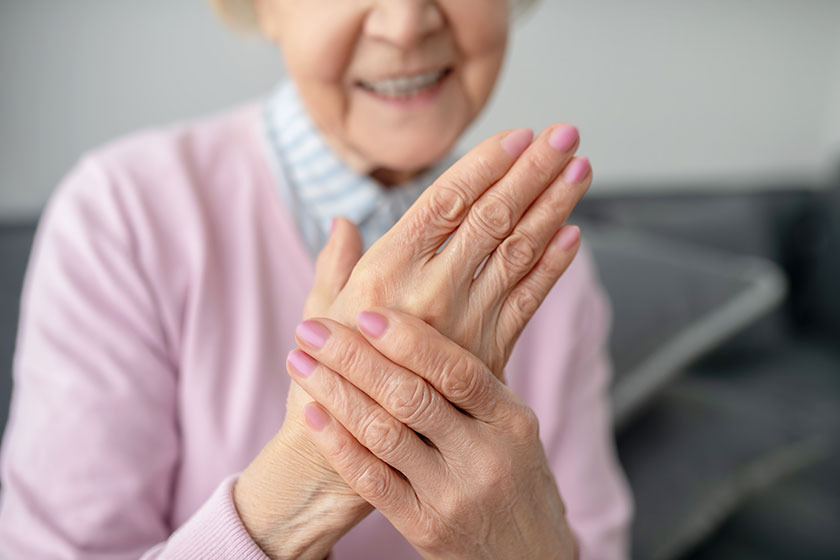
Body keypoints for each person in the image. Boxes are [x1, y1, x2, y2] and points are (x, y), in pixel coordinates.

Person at [0, 0, 632, 558]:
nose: (407, 22)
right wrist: (314, 473)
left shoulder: (546, 270)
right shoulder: (124, 218)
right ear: (262, 7)